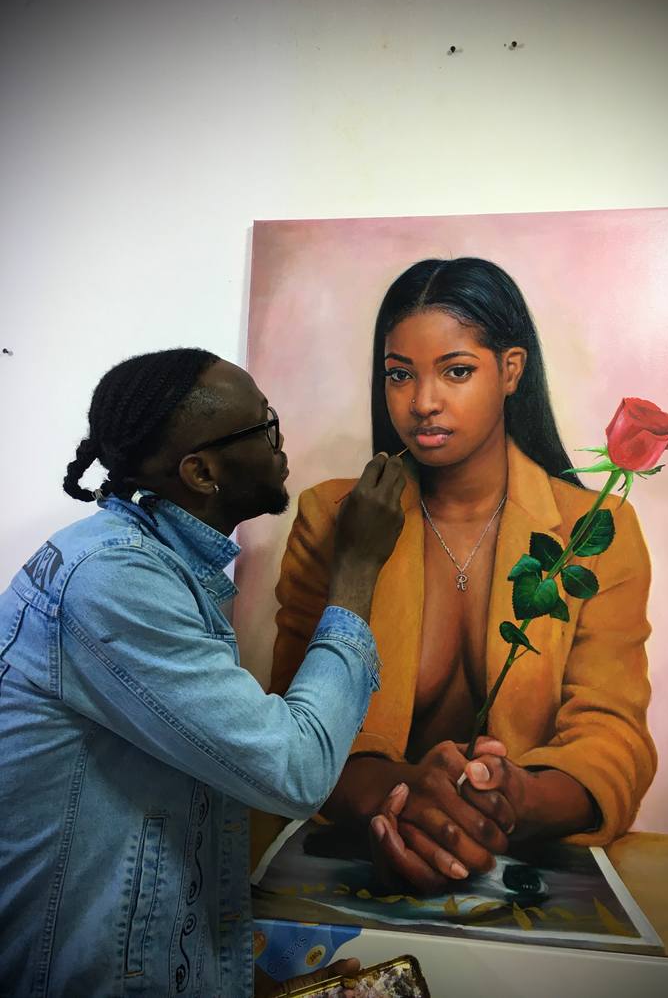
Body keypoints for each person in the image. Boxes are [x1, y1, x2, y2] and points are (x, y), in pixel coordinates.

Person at [0, 348, 408, 998]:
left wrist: (249, 984)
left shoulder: (159, 569)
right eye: (265, 426)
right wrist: (357, 568)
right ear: (201, 471)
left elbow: (174, 823)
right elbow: (295, 767)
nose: (280, 441)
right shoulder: (113, 579)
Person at [269, 257, 657, 894]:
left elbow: (612, 735)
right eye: (400, 375)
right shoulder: (332, 518)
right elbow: (291, 728)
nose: (423, 403)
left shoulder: (593, 532)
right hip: (360, 854)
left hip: (528, 868)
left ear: (511, 370)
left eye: (456, 371)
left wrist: (514, 798)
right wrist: (403, 797)